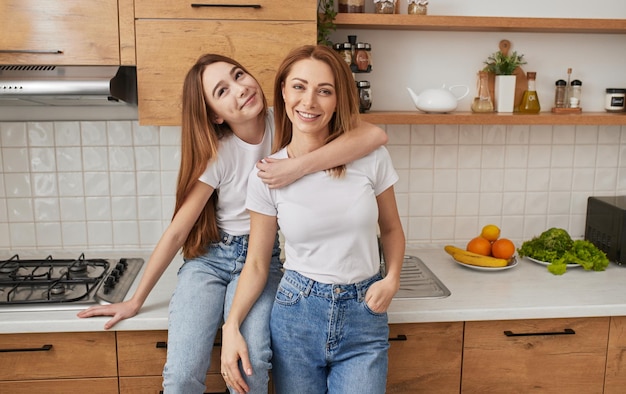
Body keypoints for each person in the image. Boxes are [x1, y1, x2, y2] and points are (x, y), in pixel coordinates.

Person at [76, 52, 387, 394]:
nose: (239, 90)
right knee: (181, 376)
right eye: (221, 92)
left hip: (260, 259)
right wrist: (136, 299)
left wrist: (299, 167)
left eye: (238, 76)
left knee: (250, 368)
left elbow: (373, 136)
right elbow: (179, 229)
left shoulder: (287, 119)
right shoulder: (218, 154)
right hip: (210, 260)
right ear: (214, 114)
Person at [221, 45, 405, 394]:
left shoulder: (371, 158)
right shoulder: (267, 176)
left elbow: (392, 228)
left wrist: (392, 279)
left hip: (364, 314)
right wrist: (231, 326)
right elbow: (257, 263)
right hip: (297, 314)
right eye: (299, 87)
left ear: (338, 100)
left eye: (325, 91)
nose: (309, 102)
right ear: (283, 92)